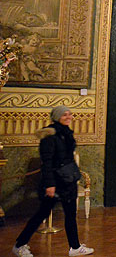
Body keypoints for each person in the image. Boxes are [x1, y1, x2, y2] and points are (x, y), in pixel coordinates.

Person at [12, 106, 94, 257]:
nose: (68, 117)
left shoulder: (66, 133)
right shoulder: (49, 136)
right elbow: (47, 162)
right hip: (55, 183)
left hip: (68, 181)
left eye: (69, 114)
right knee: (41, 215)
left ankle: (75, 247)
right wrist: (50, 184)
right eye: (64, 115)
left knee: (70, 215)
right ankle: (19, 245)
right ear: (57, 117)